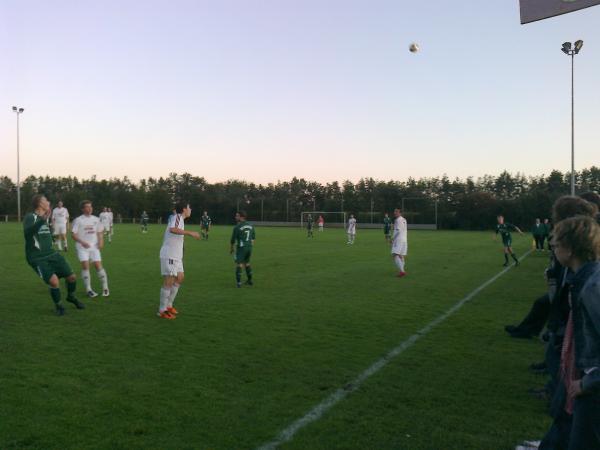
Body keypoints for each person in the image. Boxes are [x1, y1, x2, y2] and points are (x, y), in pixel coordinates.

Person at [538, 216, 600, 450]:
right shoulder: (582, 280)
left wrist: (589, 382)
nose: (553, 250)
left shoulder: (592, 287)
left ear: (571, 249)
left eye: (555, 245)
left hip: (592, 389)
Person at [23, 195, 84, 315]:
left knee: (72, 277)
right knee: (54, 282)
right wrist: (42, 220)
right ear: (40, 203)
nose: (49, 202)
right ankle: (59, 306)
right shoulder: (31, 217)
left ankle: (71, 297)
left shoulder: (45, 219)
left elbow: (46, 236)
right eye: (46, 200)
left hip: (52, 254)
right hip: (37, 257)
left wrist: (53, 237)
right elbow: (28, 233)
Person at [157, 202, 200, 319]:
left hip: (177, 256)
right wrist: (190, 233)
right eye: (189, 207)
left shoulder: (181, 220)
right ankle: (162, 310)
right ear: (184, 209)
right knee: (169, 281)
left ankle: (169, 305)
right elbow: (172, 229)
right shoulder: (177, 217)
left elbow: (178, 237)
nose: (190, 209)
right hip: (170, 255)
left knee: (180, 277)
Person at [71, 200, 110, 298]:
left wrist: (101, 241)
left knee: (98, 266)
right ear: (83, 209)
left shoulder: (96, 219)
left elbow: (100, 232)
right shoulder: (78, 220)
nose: (90, 208)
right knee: (85, 266)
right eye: (87, 207)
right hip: (82, 247)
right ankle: (88, 289)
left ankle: (105, 288)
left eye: (90, 206)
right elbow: (73, 235)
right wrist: (82, 242)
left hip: (94, 247)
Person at [230, 211, 255, 288]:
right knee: (247, 263)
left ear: (242, 217)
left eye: (237, 216)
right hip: (249, 247)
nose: (235, 217)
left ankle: (239, 283)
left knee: (239, 264)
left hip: (242, 248)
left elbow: (232, 240)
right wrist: (249, 246)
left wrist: (231, 249)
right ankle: (250, 281)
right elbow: (253, 239)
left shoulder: (237, 227)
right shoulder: (251, 226)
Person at [391, 208, 408, 277]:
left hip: (398, 240)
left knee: (395, 255)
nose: (395, 213)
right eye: (395, 211)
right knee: (401, 256)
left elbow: (398, 231)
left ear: (400, 213)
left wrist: (392, 238)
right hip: (404, 239)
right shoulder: (404, 219)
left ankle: (402, 271)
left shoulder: (398, 220)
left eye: (397, 212)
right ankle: (402, 271)